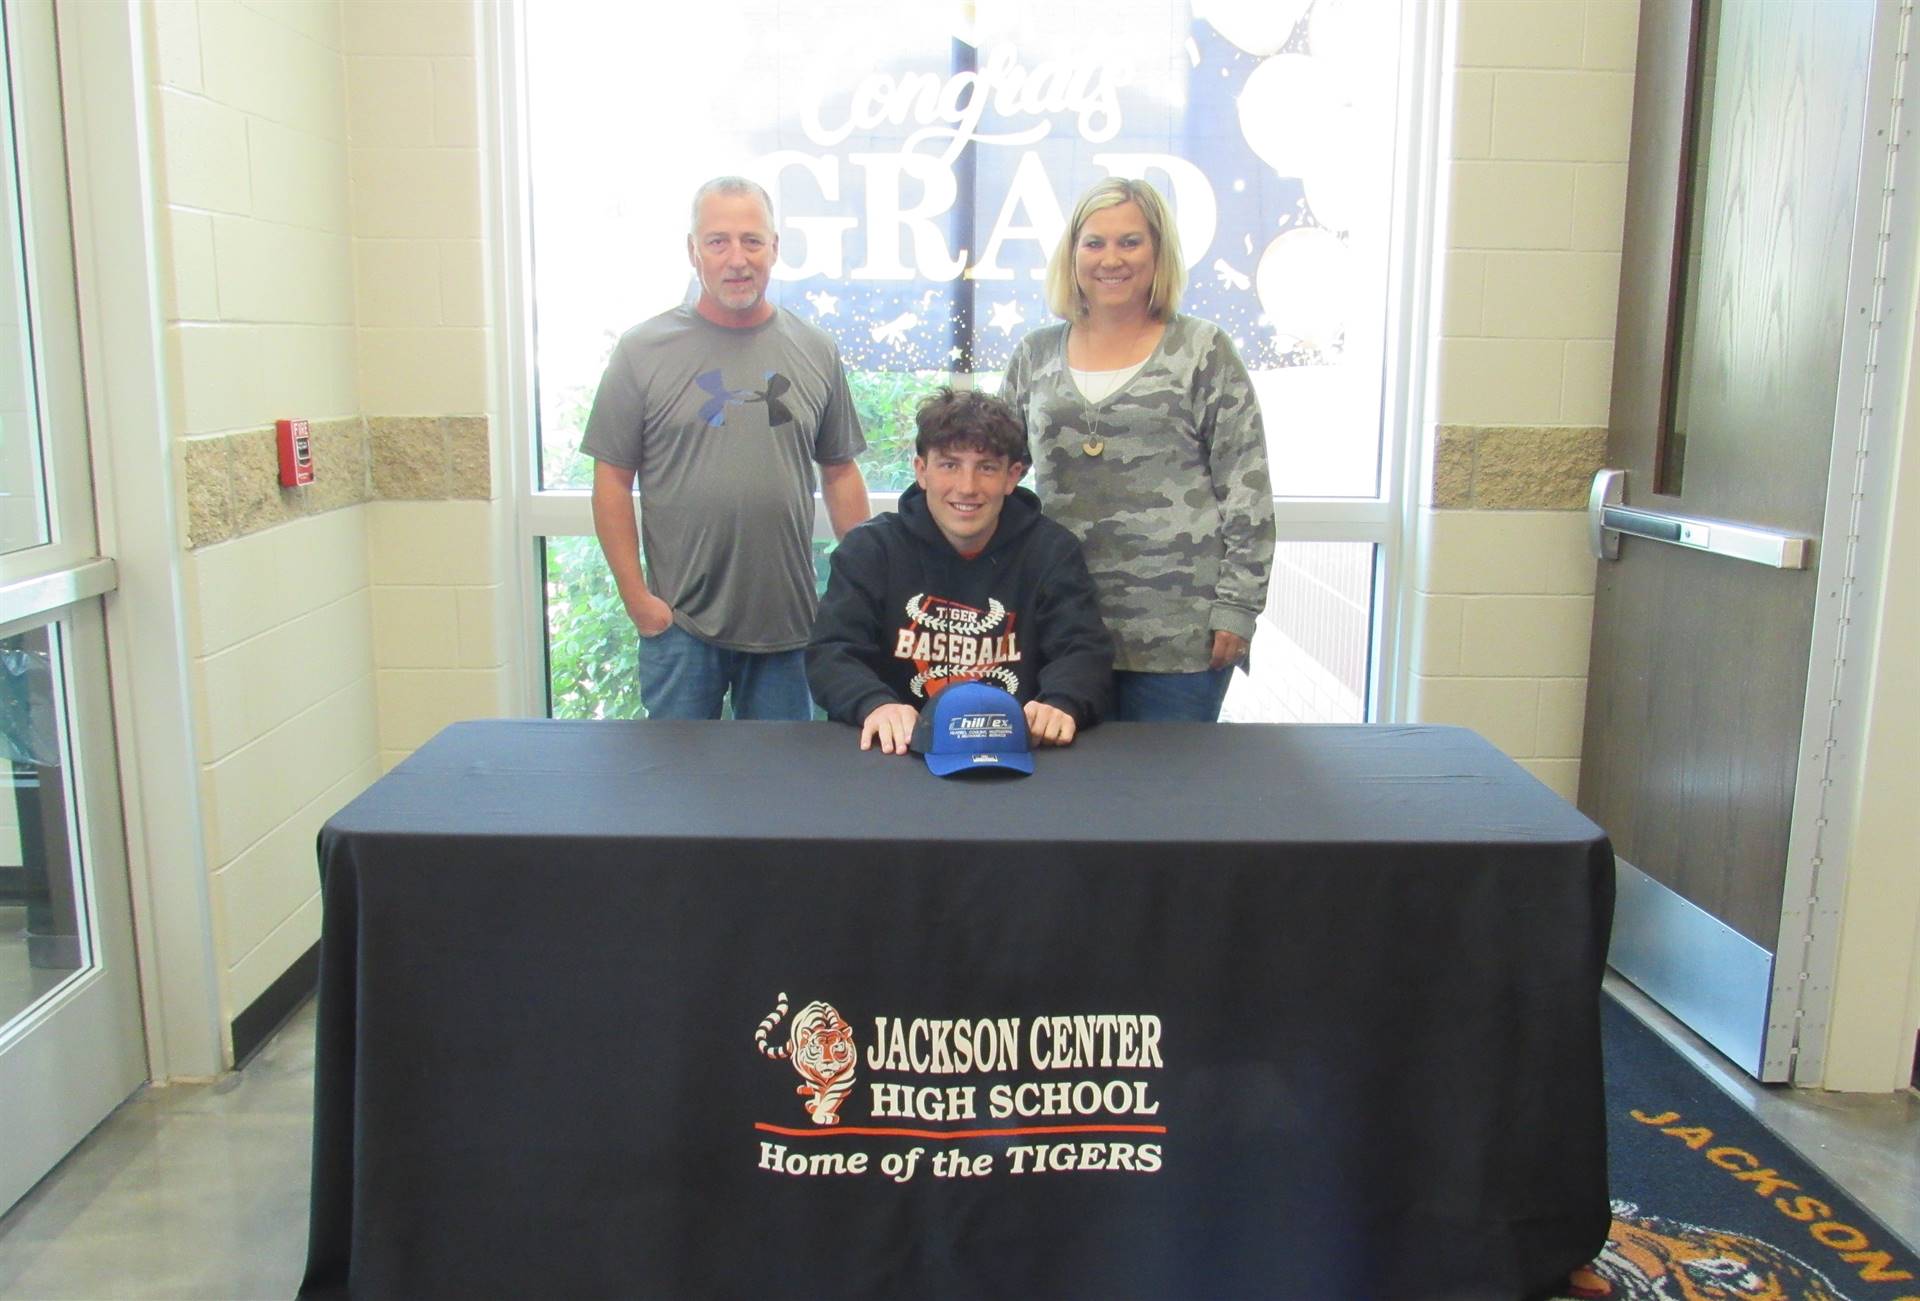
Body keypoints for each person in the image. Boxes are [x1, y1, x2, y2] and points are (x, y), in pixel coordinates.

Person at [582, 177, 871, 719]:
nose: (737, 259)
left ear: (775, 249)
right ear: (693, 251)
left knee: (779, 795)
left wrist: (860, 594)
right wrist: (638, 601)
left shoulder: (814, 349)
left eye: (751, 241)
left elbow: (840, 474)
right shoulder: (642, 351)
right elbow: (612, 482)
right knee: (678, 794)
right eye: (718, 241)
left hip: (789, 627)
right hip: (680, 629)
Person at [1000, 177, 1274, 722]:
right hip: (1061, 630)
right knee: (1070, 795)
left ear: (1158, 252)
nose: (1111, 259)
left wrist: (1238, 607)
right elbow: (992, 476)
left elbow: (1247, 487)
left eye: (1130, 241)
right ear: (1072, 253)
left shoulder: (1202, 350)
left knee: (1164, 798)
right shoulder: (1035, 355)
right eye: (1094, 242)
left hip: (1182, 636)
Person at [807, 387, 1112, 754]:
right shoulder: (868, 550)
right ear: (921, 471)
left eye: (985, 468)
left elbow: (1083, 649)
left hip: (1016, 751)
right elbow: (831, 652)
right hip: (899, 752)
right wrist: (874, 703)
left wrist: (1063, 702)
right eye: (949, 465)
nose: (967, 488)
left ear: (1012, 476)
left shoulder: (1051, 551)